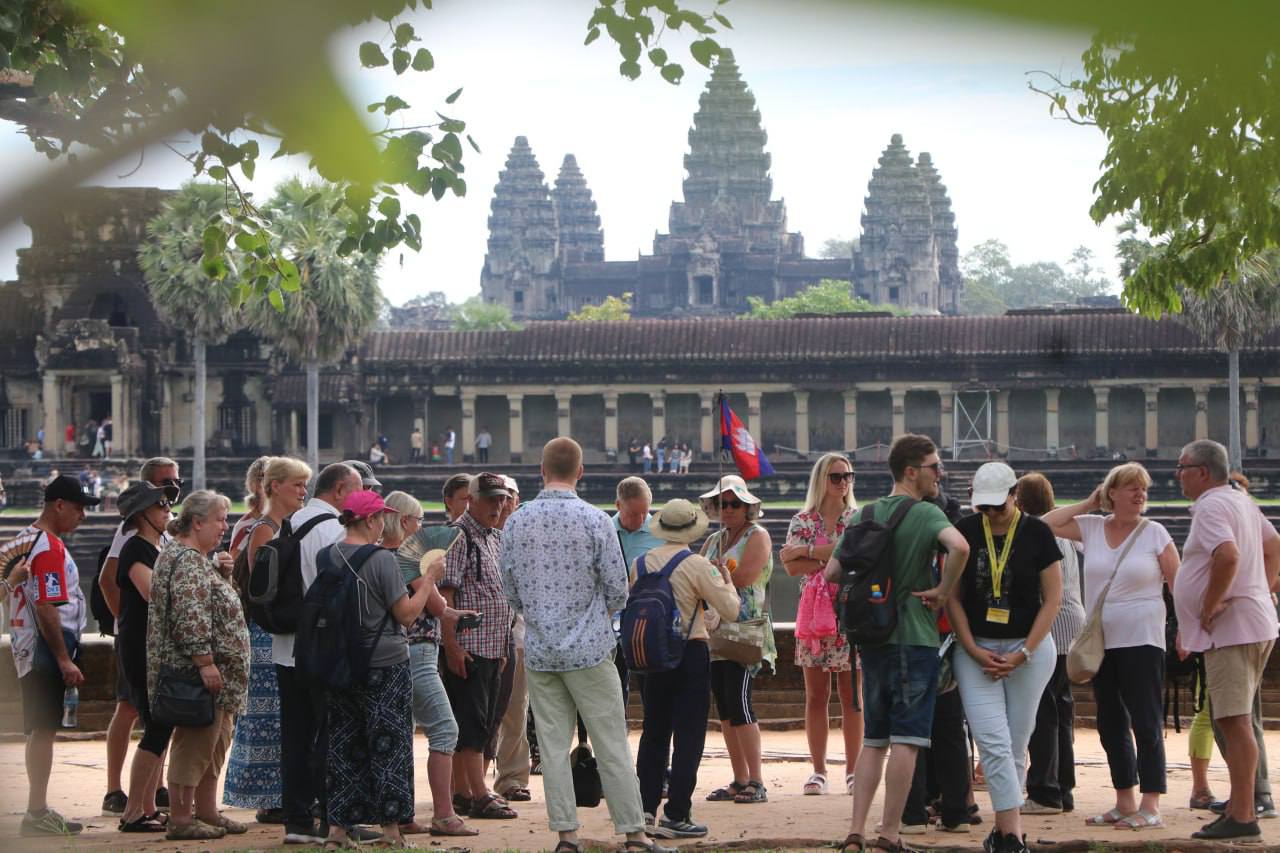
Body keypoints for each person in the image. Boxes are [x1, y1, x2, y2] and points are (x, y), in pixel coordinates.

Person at [499, 437, 670, 853]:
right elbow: (617, 590)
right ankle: (633, 831)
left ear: (542, 471)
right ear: (580, 472)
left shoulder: (517, 522)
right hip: (590, 648)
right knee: (611, 739)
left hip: (542, 648)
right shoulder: (594, 520)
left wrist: (542, 611)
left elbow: (511, 591)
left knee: (553, 748)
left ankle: (567, 835)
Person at [823, 434, 969, 853]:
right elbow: (959, 545)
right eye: (934, 467)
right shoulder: (924, 514)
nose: (939, 474)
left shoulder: (865, 514)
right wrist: (942, 588)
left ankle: (855, 832)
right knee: (907, 739)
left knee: (874, 740)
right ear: (911, 471)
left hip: (873, 640)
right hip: (915, 638)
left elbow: (833, 572)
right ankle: (889, 833)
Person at [1043, 462, 1179, 830]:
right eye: (1132, 487)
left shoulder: (1155, 533)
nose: (1140, 494)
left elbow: (1176, 583)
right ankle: (1124, 800)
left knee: (1146, 722)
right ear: (1112, 493)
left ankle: (1151, 803)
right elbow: (1046, 524)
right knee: (1111, 722)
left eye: (1144, 488)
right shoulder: (1092, 528)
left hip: (1143, 639)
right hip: (1103, 643)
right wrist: (1087, 504)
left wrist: (1185, 631)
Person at [946, 463, 1062, 853]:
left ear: (1015, 495)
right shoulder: (965, 531)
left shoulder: (1038, 533)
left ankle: (1003, 831)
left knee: (1016, 741)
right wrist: (973, 648)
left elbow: (1053, 600)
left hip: (1028, 648)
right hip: (976, 646)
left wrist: (1025, 651)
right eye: (985, 508)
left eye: (998, 506)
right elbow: (954, 598)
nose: (992, 515)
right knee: (992, 740)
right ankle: (1011, 835)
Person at [1173, 440, 1280, 841]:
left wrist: (1210, 604)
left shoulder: (1214, 505)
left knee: (1234, 723)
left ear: (1202, 472)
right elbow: (1273, 545)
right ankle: (1242, 809)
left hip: (1234, 628)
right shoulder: (1240, 501)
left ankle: (1243, 814)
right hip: (1250, 622)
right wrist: (1261, 587)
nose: (1178, 474)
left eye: (1182, 467)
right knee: (1235, 720)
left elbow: (1229, 555)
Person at [320, 491, 435, 849]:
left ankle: (338, 830)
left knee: (343, 745)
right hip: (384, 661)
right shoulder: (382, 560)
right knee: (390, 745)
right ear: (370, 520)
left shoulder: (328, 556)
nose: (385, 523)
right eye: (381, 518)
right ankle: (391, 831)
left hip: (340, 663)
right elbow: (406, 614)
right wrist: (429, 578)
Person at [633, 499, 741, 839]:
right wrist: (725, 581)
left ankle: (646, 809)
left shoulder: (640, 563)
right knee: (689, 735)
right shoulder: (696, 564)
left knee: (653, 733)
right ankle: (677, 811)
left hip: (652, 655)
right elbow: (731, 609)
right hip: (690, 651)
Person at [147, 490, 248, 841]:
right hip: (198, 675)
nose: (225, 526)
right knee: (194, 744)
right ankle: (180, 816)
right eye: (220, 519)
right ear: (198, 522)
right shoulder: (187, 560)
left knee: (213, 744)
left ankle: (206, 810)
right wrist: (204, 662)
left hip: (221, 677)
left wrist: (222, 575)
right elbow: (190, 617)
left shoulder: (197, 560)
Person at [272, 462, 363, 845]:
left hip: (287, 647)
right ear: (340, 491)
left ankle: (296, 819)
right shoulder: (332, 529)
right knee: (332, 734)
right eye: (355, 492)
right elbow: (346, 592)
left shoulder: (290, 524)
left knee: (296, 735)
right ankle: (332, 816)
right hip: (322, 649)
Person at [382, 490, 477, 837]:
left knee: (402, 734)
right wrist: (433, 571)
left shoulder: (380, 555)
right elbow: (433, 605)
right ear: (406, 521)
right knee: (444, 729)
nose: (422, 526)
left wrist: (452, 612)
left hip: (392, 653)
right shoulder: (408, 556)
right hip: (418, 650)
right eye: (419, 520)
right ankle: (444, 813)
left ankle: (404, 812)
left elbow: (436, 607)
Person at [224, 456, 310, 821]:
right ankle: (267, 797)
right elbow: (263, 588)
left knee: (286, 715)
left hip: (285, 629)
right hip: (265, 632)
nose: (303, 492)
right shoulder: (264, 528)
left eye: (305, 485)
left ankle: (283, 793)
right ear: (274, 487)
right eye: (297, 485)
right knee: (266, 715)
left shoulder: (292, 525)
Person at [10, 475, 97, 836]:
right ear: (58, 505)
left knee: (40, 730)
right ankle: (36, 810)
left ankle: (37, 807)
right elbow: (47, 605)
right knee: (44, 730)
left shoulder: (26, 540)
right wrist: (64, 658)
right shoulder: (47, 547)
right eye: (78, 508)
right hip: (44, 646)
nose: (83, 516)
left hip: (27, 643)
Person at [98, 456, 181, 818]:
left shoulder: (157, 542)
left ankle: (146, 804)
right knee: (149, 720)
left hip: (152, 643)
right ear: (140, 513)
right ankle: (133, 808)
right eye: (159, 502)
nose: (167, 507)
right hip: (139, 643)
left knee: (158, 722)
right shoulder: (133, 544)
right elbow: (150, 592)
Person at [780, 452, 862, 797]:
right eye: (836, 476)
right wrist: (832, 553)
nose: (843, 482)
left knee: (851, 697)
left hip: (849, 614)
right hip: (814, 617)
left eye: (847, 476)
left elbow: (857, 557)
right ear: (821, 481)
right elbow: (790, 568)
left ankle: (854, 771)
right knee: (816, 696)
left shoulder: (857, 519)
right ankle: (818, 770)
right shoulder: (802, 519)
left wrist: (809, 551)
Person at [439, 471, 516, 820]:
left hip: (491, 646)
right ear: (471, 499)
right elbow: (446, 594)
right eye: (490, 499)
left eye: (501, 499)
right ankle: (478, 793)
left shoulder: (493, 537)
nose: (498, 505)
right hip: (469, 645)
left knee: (481, 722)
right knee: (471, 724)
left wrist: (501, 647)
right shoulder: (460, 536)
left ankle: (466, 791)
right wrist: (452, 646)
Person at [699, 474, 777, 805]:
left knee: (741, 703)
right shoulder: (714, 539)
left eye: (734, 504)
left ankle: (757, 779)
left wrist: (716, 575)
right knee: (727, 709)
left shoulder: (757, 536)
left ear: (747, 507)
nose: (727, 509)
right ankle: (740, 778)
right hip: (717, 633)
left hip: (745, 630)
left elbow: (746, 576)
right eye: (721, 503)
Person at [1015, 472, 1086, 816]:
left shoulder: (1037, 532)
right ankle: (1063, 787)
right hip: (1072, 623)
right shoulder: (1062, 532)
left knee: (1043, 710)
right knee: (1061, 708)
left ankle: (1045, 789)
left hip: (1050, 627)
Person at [492, 476, 532, 804]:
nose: (503, 503)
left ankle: (512, 778)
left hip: (519, 634)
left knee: (516, 710)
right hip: (485, 636)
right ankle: (468, 781)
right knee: (481, 712)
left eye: (510, 497)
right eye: (498, 497)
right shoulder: (473, 536)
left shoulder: (526, 536)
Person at [229, 456, 271, 559]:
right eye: (265, 478)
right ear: (254, 485)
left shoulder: (290, 522)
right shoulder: (244, 527)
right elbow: (235, 568)